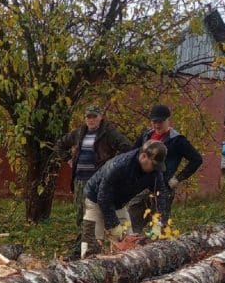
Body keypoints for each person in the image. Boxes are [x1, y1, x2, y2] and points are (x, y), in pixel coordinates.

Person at [54, 103, 132, 253]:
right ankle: (83, 244)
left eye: (94, 117)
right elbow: (60, 145)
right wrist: (69, 159)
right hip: (79, 180)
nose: (91, 120)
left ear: (100, 117)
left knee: (97, 212)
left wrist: (112, 165)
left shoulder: (108, 133)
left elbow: (127, 147)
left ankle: (98, 243)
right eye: (88, 117)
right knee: (81, 214)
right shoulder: (79, 133)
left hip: (97, 181)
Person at [81, 140, 168, 257]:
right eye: (154, 165)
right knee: (91, 245)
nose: (155, 169)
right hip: (95, 199)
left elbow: (160, 193)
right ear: (143, 156)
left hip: (118, 203)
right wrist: (114, 225)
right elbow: (103, 197)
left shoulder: (155, 172)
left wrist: (159, 222)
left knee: (129, 247)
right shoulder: (119, 165)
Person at [128, 104, 203, 232]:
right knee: (133, 221)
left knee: (159, 226)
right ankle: (135, 248)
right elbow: (132, 155)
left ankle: (159, 248)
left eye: (160, 122)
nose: (157, 125)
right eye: (154, 122)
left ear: (168, 120)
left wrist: (178, 178)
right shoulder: (145, 136)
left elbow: (197, 160)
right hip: (142, 186)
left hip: (163, 188)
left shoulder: (177, 140)